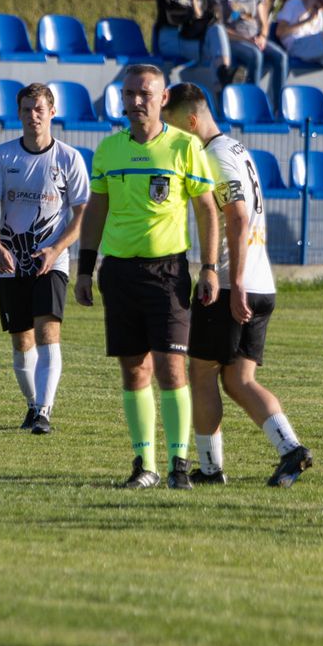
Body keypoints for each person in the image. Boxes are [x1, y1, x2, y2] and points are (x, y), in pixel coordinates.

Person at [74, 65, 219, 490]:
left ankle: (178, 463)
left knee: (172, 369)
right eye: (130, 93)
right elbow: (96, 210)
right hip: (118, 272)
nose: (137, 101)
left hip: (168, 272)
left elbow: (207, 210)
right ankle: (145, 465)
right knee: (134, 370)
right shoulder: (107, 151)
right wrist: (84, 269)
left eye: (145, 93)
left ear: (163, 98)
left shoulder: (184, 147)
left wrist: (208, 268)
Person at [162, 83, 311, 487]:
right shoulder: (237, 149)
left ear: (192, 122)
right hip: (262, 282)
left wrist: (235, 281)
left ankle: (210, 469)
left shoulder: (212, 156)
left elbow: (238, 218)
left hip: (232, 283)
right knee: (238, 380)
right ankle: (291, 449)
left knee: (203, 373)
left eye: (173, 127)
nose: (171, 136)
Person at [0, 83, 90, 435]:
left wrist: (56, 250)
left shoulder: (69, 159)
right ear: (19, 114)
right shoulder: (2, 156)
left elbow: (82, 215)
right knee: (21, 340)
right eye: (26, 109)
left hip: (51, 261)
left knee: (47, 333)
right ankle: (32, 406)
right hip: (11, 260)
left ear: (52, 112)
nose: (33, 116)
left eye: (39, 109)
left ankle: (43, 410)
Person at [214, 0, 288, 108]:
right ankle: (253, 105)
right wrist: (247, 39)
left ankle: (278, 107)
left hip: (255, 37)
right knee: (255, 55)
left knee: (281, 57)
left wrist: (262, 36)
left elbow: (263, 21)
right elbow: (219, 28)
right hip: (234, 39)